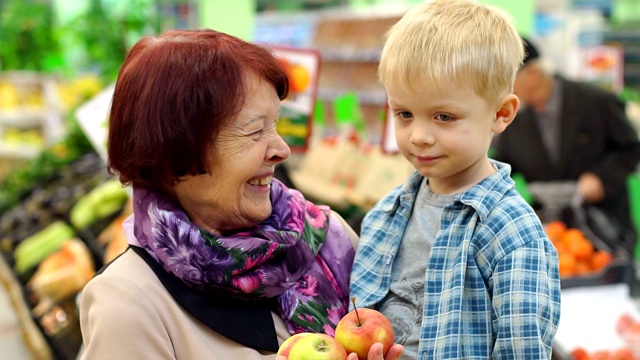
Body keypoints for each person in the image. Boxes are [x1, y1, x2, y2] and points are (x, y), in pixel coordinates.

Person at [78, 29, 403, 360]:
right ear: (175, 150)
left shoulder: (328, 237)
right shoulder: (129, 303)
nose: (281, 149)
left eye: (275, 123)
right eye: (254, 130)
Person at [349, 0, 562, 359]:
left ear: (501, 113)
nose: (419, 135)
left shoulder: (512, 234)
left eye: (444, 116)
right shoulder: (386, 214)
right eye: (404, 113)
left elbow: (521, 351)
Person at [493, 37, 640, 252]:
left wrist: (601, 178)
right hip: (551, 232)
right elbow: (503, 165)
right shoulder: (513, 117)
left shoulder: (595, 101)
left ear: (532, 74)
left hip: (605, 227)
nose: (503, 91)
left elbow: (630, 149)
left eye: (507, 81)